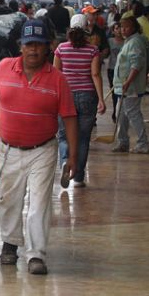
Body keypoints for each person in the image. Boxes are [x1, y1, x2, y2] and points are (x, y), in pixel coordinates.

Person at [0, 18, 78, 275]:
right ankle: (10, 244)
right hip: (8, 149)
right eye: (28, 44)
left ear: (49, 47)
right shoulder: (4, 68)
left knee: (40, 204)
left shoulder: (58, 80)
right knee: (8, 201)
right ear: (20, 46)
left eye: (39, 45)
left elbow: (69, 117)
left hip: (43, 150)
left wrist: (73, 156)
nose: (33, 50)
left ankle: (36, 255)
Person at [53, 27, 106, 187]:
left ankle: (64, 162)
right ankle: (78, 177)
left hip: (66, 96)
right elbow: (95, 74)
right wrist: (101, 100)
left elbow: (56, 74)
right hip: (87, 96)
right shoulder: (93, 50)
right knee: (83, 138)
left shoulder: (61, 48)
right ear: (86, 33)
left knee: (63, 136)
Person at [112, 16, 149, 154]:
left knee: (133, 114)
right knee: (120, 114)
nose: (123, 30)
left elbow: (136, 64)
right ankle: (123, 142)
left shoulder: (135, 42)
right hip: (123, 86)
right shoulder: (130, 41)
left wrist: (128, 81)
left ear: (133, 27)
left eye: (126, 27)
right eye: (121, 27)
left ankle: (143, 143)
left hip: (130, 87)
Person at [106, 22, 125, 121]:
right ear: (113, 31)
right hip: (112, 69)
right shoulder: (110, 41)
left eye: (120, 28)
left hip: (124, 70)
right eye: (116, 28)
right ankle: (115, 112)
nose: (119, 30)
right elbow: (105, 52)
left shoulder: (127, 42)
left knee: (122, 92)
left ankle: (121, 112)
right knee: (114, 92)